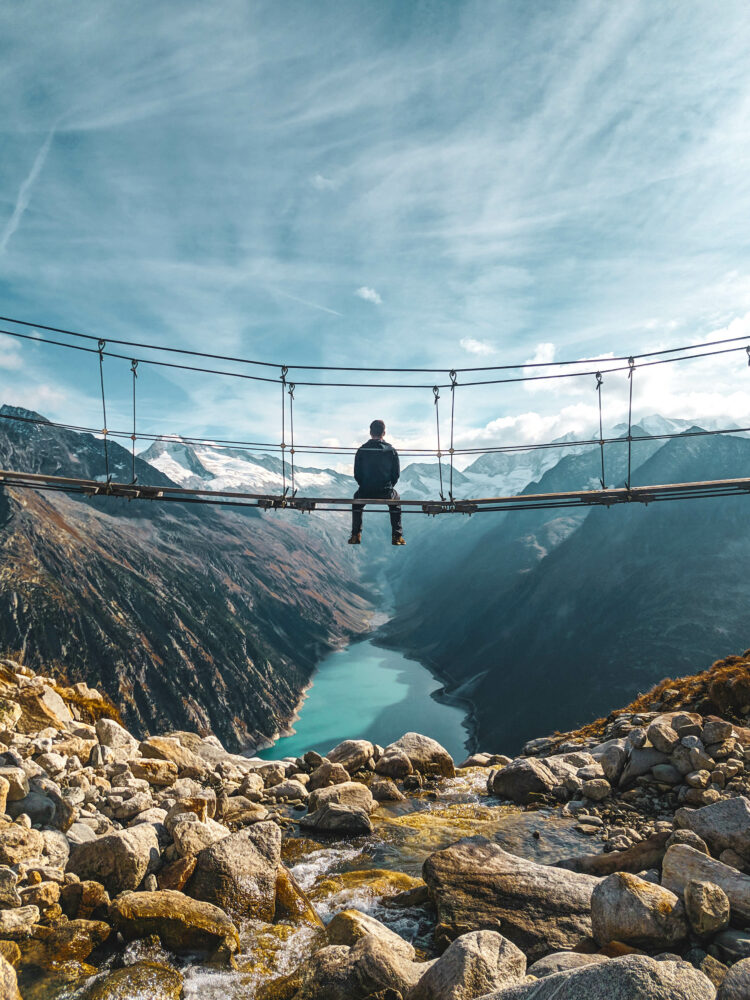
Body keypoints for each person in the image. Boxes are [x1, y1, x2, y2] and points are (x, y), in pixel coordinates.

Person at [348, 419, 405, 546]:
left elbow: (357, 474)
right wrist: (388, 486)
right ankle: (397, 536)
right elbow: (396, 474)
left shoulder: (362, 450)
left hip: (365, 490)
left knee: (356, 501)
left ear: (370, 432)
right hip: (385, 491)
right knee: (396, 501)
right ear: (384, 433)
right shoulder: (391, 450)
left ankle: (355, 535)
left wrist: (364, 485)